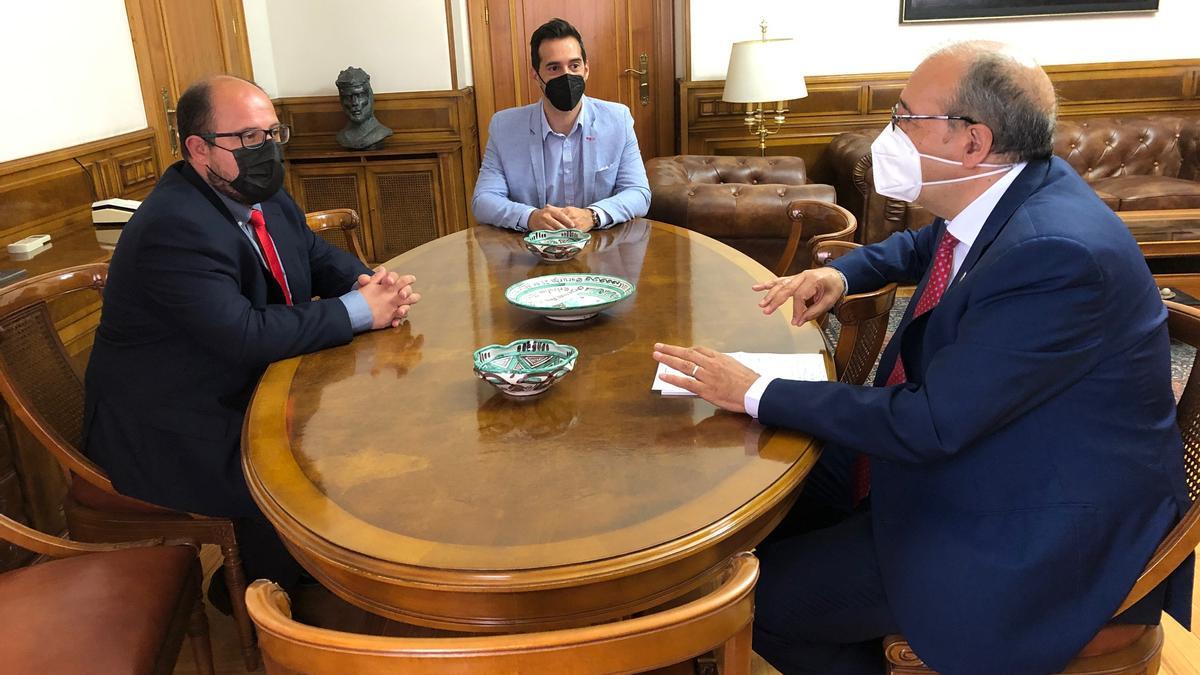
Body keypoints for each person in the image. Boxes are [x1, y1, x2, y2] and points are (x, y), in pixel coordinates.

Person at [653, 41, 1191, 674]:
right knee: (766, 498)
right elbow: (928, 243)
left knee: (753, 598)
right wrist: (847, 274)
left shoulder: (1056, 256)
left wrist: (754, 388)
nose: (889, 134)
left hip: (1028, 521)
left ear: (973, 142)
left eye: (905, 117)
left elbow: (929, 424)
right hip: (979, 448)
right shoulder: (1016, 189)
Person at [83, 75, 421, 597]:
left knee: (362, 419)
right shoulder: (174, 226)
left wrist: (364, 282)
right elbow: (242, 333)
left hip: (237, 384)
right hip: (172, 421)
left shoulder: (261, 195)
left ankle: (309, 565)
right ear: (199, 150)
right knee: (311, 453)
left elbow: (314, 254)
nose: (267, 151)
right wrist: (357, 311)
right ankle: (268, 589)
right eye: (248, 139)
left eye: (272, 134)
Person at [471, 17, 650, 232]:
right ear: (536, 76)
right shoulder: (504, 127)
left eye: (574, 65)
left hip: (600, 247)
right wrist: (530, 217)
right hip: (531, 250)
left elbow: (638, 193)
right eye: (554, 68)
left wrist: (592, 215)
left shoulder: (618, 120)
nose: (567, 75)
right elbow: (483, 200)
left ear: (586, 69)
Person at [335, 66, 393, 150]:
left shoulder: (380, 133)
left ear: (370, 96)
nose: (354, 103)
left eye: (359, 95)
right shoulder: (342, 137)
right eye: (348, 97)